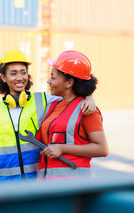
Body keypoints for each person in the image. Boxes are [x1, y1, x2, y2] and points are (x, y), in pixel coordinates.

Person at [0, 48, 97, 183]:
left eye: (23, 73)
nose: (20, 78)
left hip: (37, 181)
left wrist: (89, 96)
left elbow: (71, 94)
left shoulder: (44, 100)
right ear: (3, 77)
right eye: (13, 73)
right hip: (4, 185)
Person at [36, 50, 108, 180]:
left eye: (53, 76)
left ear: (69, 83)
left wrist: (63, 148)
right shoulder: (52, 105)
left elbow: (102, 148)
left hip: (73, 186)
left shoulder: (87, 110)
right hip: (47, 184)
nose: (48, 81)